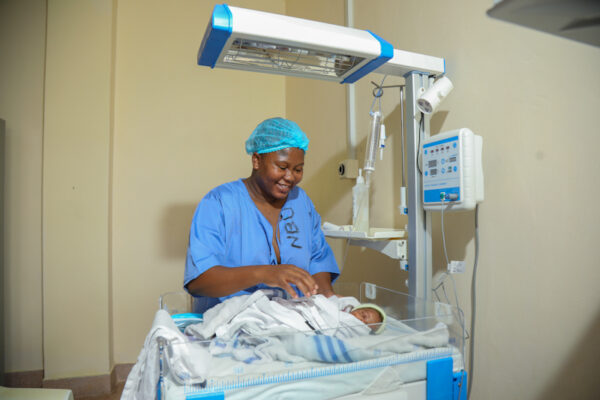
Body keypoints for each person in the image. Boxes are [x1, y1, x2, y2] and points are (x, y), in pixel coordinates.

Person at [184, 117, 340, 312]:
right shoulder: (219, 203)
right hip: (229, 326)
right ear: (257, 160)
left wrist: (328, 299)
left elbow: (318, 259)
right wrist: (263, 273)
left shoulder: (300, 201)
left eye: (298, 170)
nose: (290, 177)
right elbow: (199, 281)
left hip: (292, 320)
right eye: (282, 167)